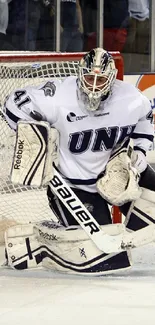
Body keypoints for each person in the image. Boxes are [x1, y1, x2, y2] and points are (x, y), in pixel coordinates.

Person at [3, 48, 155, 275]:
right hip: (73, 187)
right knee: (107, 259)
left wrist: (139, 155)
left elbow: (144, 119)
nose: (94, 85)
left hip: (116, 174)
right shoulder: (57, 96)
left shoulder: (130, 98)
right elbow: (12, 104)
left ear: (111, 79)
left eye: (101, 79)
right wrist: (36, 136)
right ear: (79, 74)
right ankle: (42, 244)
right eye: (89, 77)